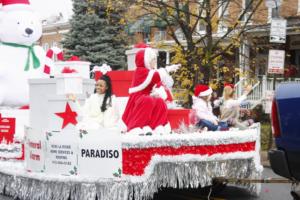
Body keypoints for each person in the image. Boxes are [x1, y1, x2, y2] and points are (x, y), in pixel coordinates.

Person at [122, 47, 179, 135]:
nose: (155, 62)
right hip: (138, 98)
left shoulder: (150, 71)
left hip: (148, 97)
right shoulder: (141, 71)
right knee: (147, 100)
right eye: (152, 59)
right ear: (146, 61)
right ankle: (135, 126)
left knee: (159, 101)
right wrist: (167, 69)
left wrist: (157, 92)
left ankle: (156, 125)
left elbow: (158, 82)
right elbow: (155, 76)